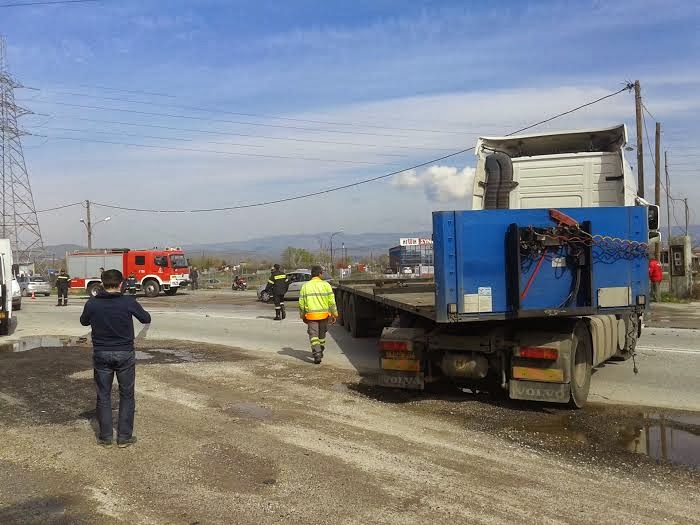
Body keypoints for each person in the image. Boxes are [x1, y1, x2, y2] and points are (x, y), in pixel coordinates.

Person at [80, 269, 151, 448]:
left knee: (103, 395)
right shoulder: (128, 302)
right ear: (121, 284)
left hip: (101, 353)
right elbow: (145, 318)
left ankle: (105, 437)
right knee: (126, 395)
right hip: (124, 353)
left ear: (102, 284)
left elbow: (84, 321)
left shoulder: (92, 303)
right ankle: (124, 437)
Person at [298, 265, 338, 364]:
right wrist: (334, 314)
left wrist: (302, 315)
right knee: (321, 335)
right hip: (324, 315)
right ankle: (321, 349)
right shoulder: (326, 285)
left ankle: (317, 354)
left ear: (311, 275)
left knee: (313, 335)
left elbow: (301, 303)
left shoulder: (305, 286)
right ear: (320, 274)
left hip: (311, 316)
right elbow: (332, 302)